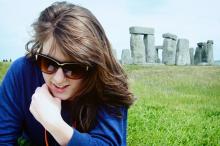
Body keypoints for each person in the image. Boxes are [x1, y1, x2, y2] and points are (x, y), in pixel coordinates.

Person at [0, 1, 134, 146]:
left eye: (73, 68)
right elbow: (3, 138)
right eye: (48, 63)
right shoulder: (22, 72)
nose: (58, 79)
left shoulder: (108, 82)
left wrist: (55, 124)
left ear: (93, 64)